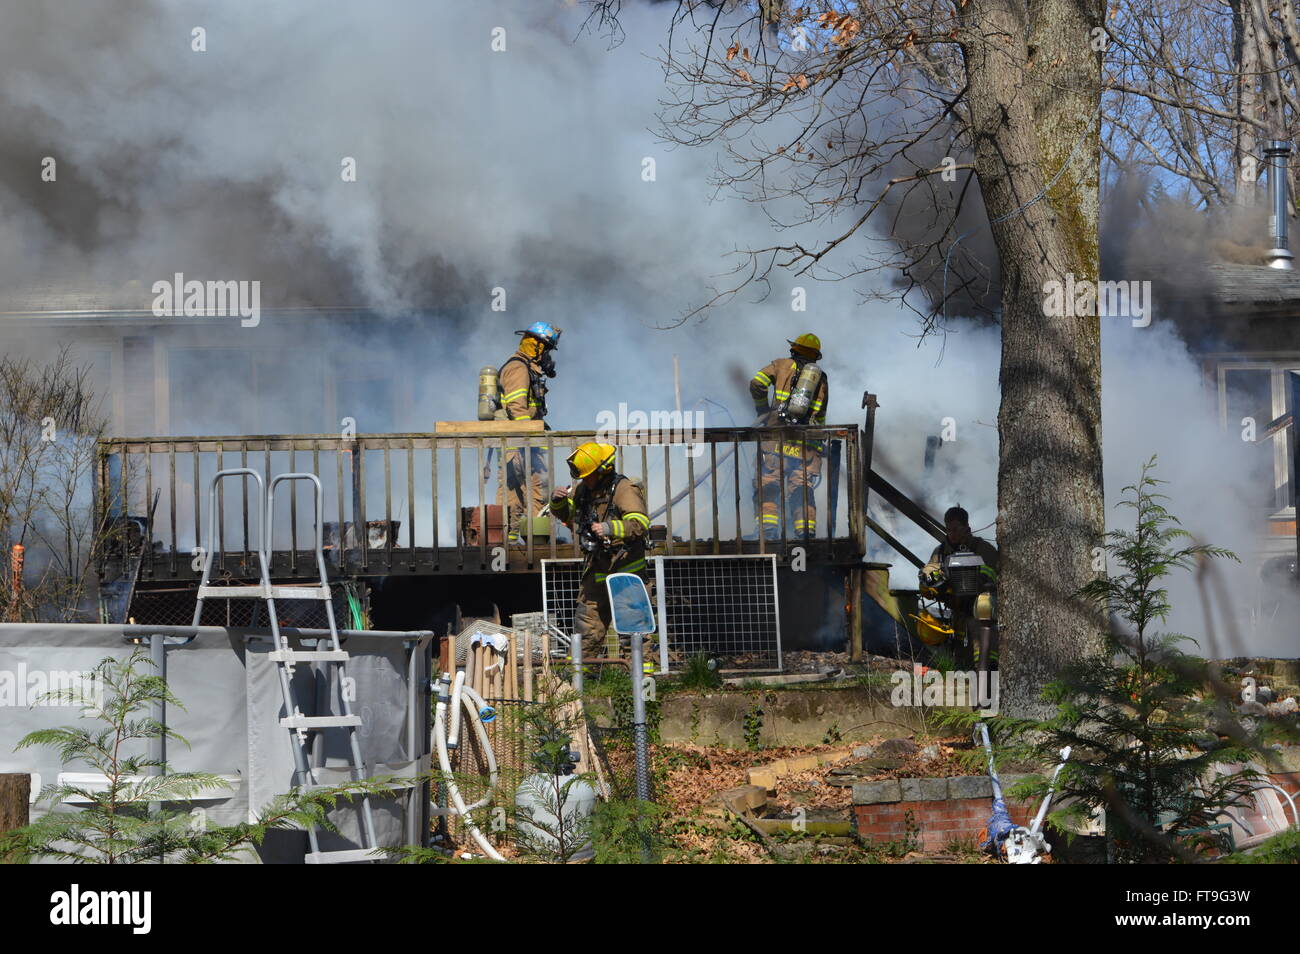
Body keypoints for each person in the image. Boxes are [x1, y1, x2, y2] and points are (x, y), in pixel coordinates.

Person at [548, 441, 652, 660]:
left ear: (603, 471)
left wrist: (609, 528)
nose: (583, 480)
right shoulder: (584, 490)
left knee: (633, 628)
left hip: (626, 570)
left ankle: (641, 680)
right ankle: (578, 682)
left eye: (588, 475)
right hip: (596, 567)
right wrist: (557, 503)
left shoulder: (624, 489)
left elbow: (640, 523)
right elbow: (571, 517)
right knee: (587, 626)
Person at [749, 332, 829, 541]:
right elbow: (820, 415)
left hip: (776, 440)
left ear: (794, 349)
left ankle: (768, 532)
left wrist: (762, 410)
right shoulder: (821, 378)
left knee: (768, 483)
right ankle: (806, 533)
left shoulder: (781, 365)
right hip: (805, 446)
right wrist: (818, 445)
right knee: (801, 488)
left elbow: (756, 383)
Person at [496, 322, 561, 543]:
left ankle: (522, 540)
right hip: (520, 445)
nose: (548, 356)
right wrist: (529, 438)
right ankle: (527, 542)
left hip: (522, 444)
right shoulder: (518, 368)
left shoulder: (527, 368)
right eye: (547, 350)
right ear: (537, 347)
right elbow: (517, 408)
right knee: (529, 494)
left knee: (522, 495)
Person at [919, 506, 1000, 670]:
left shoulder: (982, 549)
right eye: (948, 530)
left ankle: (988, 681)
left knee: (984, 654)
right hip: (957, 614)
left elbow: (998, 576)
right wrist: (929, 579)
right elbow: (930, 570)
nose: (952, 534)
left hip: (981, 613)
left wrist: (981, 583)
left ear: (966, 527)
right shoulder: (941, 552)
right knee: (961, 660)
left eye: (956, 529)